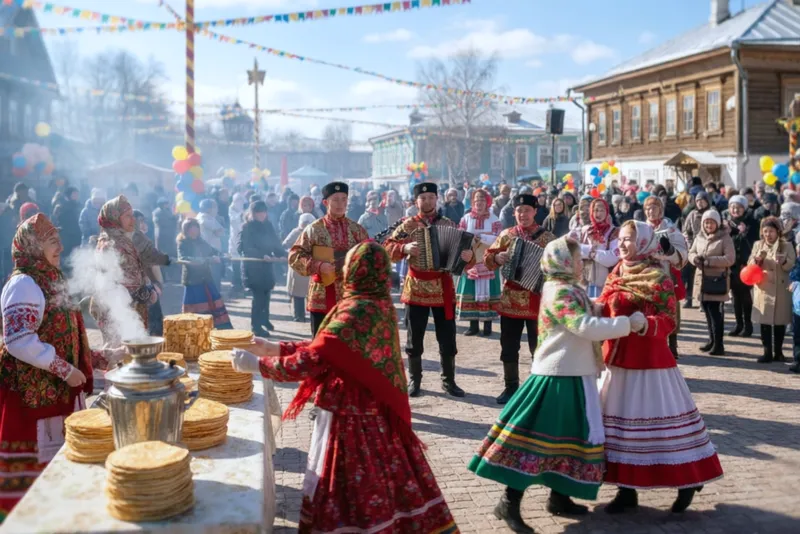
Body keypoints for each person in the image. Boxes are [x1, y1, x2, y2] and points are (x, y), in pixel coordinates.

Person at [231, 242, 458, 533]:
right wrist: (274, 347)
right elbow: (327, 349)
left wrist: (257, 365)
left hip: (352, 421)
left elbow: (312, 361)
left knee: (348, 488)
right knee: (384, 485)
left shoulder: (357, 310)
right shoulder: (378, 303)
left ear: (354, 271)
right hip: (377, 420)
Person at [469, 237, 640, 533]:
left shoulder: (567, 288)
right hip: (557, 377)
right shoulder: (560, 291)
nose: (580, 263)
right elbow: (583, 326)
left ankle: (559, 497)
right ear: (562, 261)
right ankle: (509, 502)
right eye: (575, 259)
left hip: (574, 373)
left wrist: (607, 304)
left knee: (569, 439)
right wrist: (629, 324)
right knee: (534, 442)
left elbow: (586, 314)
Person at [0, 214, 125, 521]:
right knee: (33, 483)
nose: (60, 247)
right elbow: (19, 340)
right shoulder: (24, 283)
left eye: (58, 240)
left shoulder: (49, 278)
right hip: (30, 400)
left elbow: (63, 336)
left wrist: (97, 356)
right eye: (51, 242)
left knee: (59, 472)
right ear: (32, 246)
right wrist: (65, 371)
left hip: (55, 395)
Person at [597, 220, 723, 515]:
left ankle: (688, 481)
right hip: (617, 359)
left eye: (629, 239)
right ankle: (626, 491)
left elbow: (669, 321)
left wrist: (645, 325)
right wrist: (592, 309)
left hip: (650, 365)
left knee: (661, 430)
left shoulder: (658, 277)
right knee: (621, 430)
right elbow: (607, 303)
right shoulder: (616, 271)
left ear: (643, 242)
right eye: (621, 239)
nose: (623, 244)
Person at [384, 182, 475, 398]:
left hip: (443, 289)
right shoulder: (406, 225)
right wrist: (403, 248)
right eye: (423, 198)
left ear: (437, 199)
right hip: (416, 289)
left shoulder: (449, 224)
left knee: (447, 338)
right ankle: (415, 380)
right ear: (416, 202)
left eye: (431, 198)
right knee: (414, 338)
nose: (427, 202)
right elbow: (386, 248)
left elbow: (465, 256)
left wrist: (469, 258)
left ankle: (449, 380)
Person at [483, 194, 555, 404]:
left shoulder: (547, 238)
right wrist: (497, 258)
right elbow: (488, 259)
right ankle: (510, 387)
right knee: (509, 345)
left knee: (538, 347)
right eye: (519, 211)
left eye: (527, 210)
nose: (523, 215)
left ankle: (537, 389)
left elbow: (560, 265)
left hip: (537, 301)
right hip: (511, 301)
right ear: (514, 213)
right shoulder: (507, 235)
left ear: (535, 212)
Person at [289, 182, 368, 336]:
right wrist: (318, 266)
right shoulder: (314, 229)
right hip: (321, 297)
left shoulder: (357, 230)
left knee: (347, 345)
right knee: (321, 345)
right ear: (325, 203)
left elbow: (369, 259)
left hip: (349, 296)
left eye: (344, 199)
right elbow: (294, 256)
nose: (340, 204)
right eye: (335, 199)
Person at [91, 196, 156, 345]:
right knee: (120, 357)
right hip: (117, 312)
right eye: (127, 216)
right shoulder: (108, 245)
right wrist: (146, 293)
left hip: (131, 308)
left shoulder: (123, 239)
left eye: (132, 215)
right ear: (114, 218)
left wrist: (147, 288)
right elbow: (114, 283)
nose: (133, 220)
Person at [643, 196, 689, 359]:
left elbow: (682, 255)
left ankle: (673, 344)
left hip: (666, 276)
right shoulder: (641, 229)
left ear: (661, 210)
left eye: (654, 207)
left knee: (669, 310)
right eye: (648, 208)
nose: (651, 211)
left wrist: (669, 250)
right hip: (646, 277)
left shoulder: (671, 230)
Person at [749, 216, 796, 364]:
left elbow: (792, 265)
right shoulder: (758, 244)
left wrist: (783, 262)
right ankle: (767, 351)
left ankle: (779, 352)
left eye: (771, 231)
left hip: (781, 288)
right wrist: (757, 261)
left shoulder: (786, 246)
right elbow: (750, 264)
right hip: (763, 287)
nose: (768, 234)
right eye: (765, 231)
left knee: (780, 321)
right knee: (765, 322)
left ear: (778, 232)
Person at [455, 189, 502, 337]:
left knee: (487, 293)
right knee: (473, 292)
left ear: (487, 202)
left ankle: (487, 325)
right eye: (476, 201)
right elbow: (460, 236)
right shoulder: (466, 218)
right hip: (471, 260)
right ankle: (473, 325)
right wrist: (470, 240)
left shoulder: (494, 220)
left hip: (487, 260)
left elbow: (498, 239)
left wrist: (481, 237)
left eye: (482, 200)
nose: (479, 204)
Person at [688, 210, 735, 355]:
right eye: (706, 222)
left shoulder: (725, 238)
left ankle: (719, 344)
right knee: (706, 311)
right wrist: (694, 259)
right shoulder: (700, 236)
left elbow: (730, 259)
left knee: (715, 313)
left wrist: (709, 261)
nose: (709, 225)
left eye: (712, 222)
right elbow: (691, 252)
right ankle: (711, 340)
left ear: (717, 223)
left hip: (716, 281)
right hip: (702, 280)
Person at [238, 201, 286, 337]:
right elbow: (242, 248)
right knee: (258, 297)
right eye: (258, 212)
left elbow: (275, 243)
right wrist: (261, 255)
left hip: (266, 266)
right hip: (253, 268)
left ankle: (265, 320)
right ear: (252, 213)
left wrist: (283, 254)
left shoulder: (268, 225)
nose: (262, 215)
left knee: (266, 295)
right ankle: (256, 326)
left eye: (263, 212)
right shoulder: (247, 227)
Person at [176, 219, 232, 330]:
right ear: (186, 230)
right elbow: (184, 258)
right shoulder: (183, 243)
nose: (194, 231)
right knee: (196, 309)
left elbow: (213, 251)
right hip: (192, 281)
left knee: (214, 304)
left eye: (196, 228)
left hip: (206, 278)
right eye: (191, 229)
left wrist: (223, 255)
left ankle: (223, 331)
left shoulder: (201, 241)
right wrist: (207, 260)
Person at [570, 198, 619, 299]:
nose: (599, 213)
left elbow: (612, 258)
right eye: (596, 210)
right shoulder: (583, 231)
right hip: (584, 284)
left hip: (606, 285)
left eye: (602, 210)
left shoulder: (614, 232)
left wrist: (590, 252)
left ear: (607, 212)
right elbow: (572, 248)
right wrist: (595, 252)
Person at [722, 195, 757, 337]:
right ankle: (738, 324)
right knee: (735, 295)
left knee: (745, 294)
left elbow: (754, 242)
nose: (735, 210)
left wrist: (744, 233)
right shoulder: (727, 224)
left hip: (745, 264)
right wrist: (727, 233)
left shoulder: (751, 222)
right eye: (732, 207)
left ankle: (748, 325)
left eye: (739, 207)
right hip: (732, 264)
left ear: (744, 208)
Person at [132, 210, 171, 337]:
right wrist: (157, 283)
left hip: (148, 285)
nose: (144, 224)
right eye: (140, 221)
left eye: (144, 221)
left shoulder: (143, 239)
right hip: (141, 285)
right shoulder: (134, 240)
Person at [682, 191, 713, 309]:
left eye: (702, 200)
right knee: (689, 275)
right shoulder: (692, 214)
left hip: (708, 248)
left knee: (704, 276)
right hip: (693, 248)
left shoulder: (711, 213)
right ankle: (688, 298)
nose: (700, 203)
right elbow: (686, 231)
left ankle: (702, 300)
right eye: (698, 201)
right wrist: (690, 245)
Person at [284, 213, 315, 323]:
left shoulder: (315, 233)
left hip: (310, 266)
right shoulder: (296, 232)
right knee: (298, 294)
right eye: (304, 222)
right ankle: (299, 315)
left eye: (308, 222)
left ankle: (311, 316)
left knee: (311, 294)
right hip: (297, 266)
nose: (306, 224)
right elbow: (286, 244)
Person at [197, 199, 226, 290]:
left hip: (206, 251)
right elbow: (220, 232)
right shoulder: (205, 218)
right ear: (208, 209)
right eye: (215, 207)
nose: (217, 209)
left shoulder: (201, 216)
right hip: (211, 251)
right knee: (214, 277)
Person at [50, 186, 81, 263]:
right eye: (74, 194)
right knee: (65, 257)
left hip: (76, 234)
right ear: (69, 195)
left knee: (76, 257)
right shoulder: (61, 205)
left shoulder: (78, 205)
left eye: (77, 194)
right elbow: (55, 219)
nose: (76, 196)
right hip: (65, 235)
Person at [227, 192, 247, 296]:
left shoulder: (242, 211)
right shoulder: (232, 212)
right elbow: (236, 225)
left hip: (242, 242)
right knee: (235, 265)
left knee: (242, 265)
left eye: (241, 201)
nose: (240, 203)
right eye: (238, 201)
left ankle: (241, 285)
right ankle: (235, 286)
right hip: (235, 242)